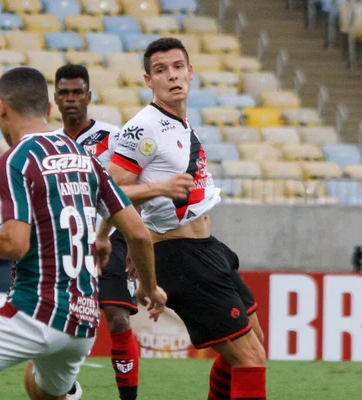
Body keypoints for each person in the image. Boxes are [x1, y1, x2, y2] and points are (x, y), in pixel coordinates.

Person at [0, 67, 168, 400]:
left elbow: (13, 243)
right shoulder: (86, 157)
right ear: (49, 109)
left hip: (36, 312)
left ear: (1, 108)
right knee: (39, 388)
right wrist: (150, 288)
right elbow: (139, 234)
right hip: (83, 321)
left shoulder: (15, 160)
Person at [98, 38, 267, 400]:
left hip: (207, 247)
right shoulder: (143, 127)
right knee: (250, 361)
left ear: (190, 72)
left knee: (255, 343)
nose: (172, 76)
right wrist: (156, 193)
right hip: (180, 256)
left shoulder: (180, 123)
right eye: (161, 71)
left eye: (178, 67)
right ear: (148, 80)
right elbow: (108, 190)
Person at [52, 64, 138, 400]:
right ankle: (66, 387)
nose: (71, 99)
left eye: (77, 92)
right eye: (64, 93)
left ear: (89, 96)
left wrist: (133, 237)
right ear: (55, 99)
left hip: (110, 234)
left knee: (117, 318)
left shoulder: (113, 138)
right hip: (63, 239)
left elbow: (132, 189)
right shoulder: (48, 143)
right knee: (51, 321)